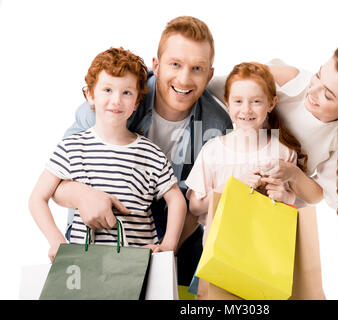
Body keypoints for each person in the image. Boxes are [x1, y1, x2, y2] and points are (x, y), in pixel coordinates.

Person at [51, 16, 233, 285]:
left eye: (197, 68)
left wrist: (164, 249)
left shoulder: (218, 125)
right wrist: (81, 194)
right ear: (156, 65)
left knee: (185, 282)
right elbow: (56, 179)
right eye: (175, 64)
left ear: (209, 75)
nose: (184, 78)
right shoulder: (119, 96)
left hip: (176, 224)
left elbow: (199, 206)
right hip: (106, 221)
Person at [210, 44, 338, 263]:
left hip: (272, 212)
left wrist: (293, 175)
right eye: (318, 76)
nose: (312, 92)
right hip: (228, 184)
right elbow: (216, 87)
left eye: (328, 95)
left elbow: (319, 194)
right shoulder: (288, 82)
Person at [29, 47, 187, 262]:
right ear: (90, 95)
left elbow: (176, 199)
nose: (116, 100)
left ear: (137, 103)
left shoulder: (151, 153)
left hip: (138, 266)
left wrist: (168, 245)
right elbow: (37, 198)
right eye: (107, 90)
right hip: (85, 265)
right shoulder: (72, 147)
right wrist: (56, 240)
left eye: (126, 93)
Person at [184, 62, 323, 295]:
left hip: (267, 262)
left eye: (256, 101)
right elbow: (195, 205)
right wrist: (231, 187)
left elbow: (293, 209)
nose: (246, 110)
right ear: (227, 103)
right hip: (219, 260)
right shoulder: (213, 150)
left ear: (271, 104)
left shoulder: (282, 153)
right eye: (238, 101)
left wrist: (284, 196)